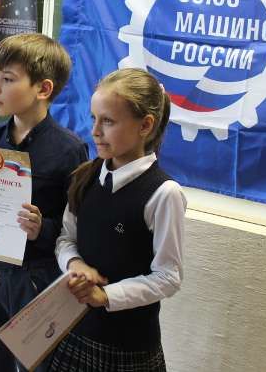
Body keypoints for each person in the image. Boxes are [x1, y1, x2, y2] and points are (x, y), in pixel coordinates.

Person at [0, 33, 88, 372]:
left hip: (35, 277)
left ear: (43, 89)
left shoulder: (69, 150)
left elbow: (77, 230)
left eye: (8, 79)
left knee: (36, 365)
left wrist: (42, 229)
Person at [49, 68, 186, 372]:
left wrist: (106, 296)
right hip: (75, 331)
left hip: (128, 346)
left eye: (108, 121)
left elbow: (168, 276)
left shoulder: (164, 193)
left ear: (145, 125)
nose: (95, 131)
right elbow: (65, 239)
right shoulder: (85, 178)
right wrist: (75, 264)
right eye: (94, 119)